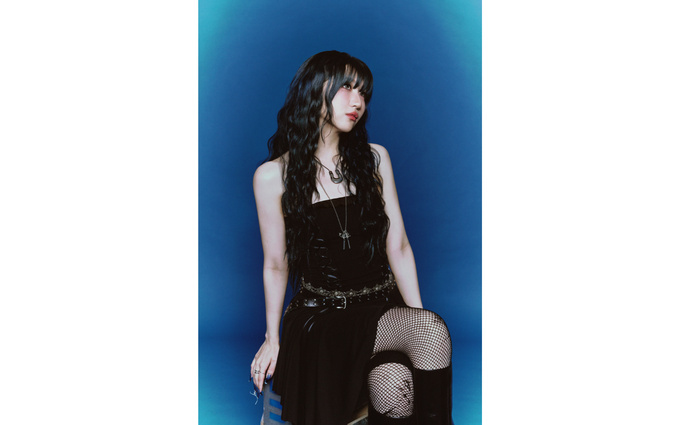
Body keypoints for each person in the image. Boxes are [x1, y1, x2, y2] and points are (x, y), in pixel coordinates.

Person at [250, 50, 453, 425]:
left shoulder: (375, 159)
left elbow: (398, 246)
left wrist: (415, 323)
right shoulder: (272, 176)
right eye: (347, 88)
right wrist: (271, 337)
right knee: (429, 332)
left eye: (364, 93)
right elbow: (276, 265)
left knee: (394, 382)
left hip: (381, 308)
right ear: (315, 89)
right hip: (324, 319)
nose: (358, 101)